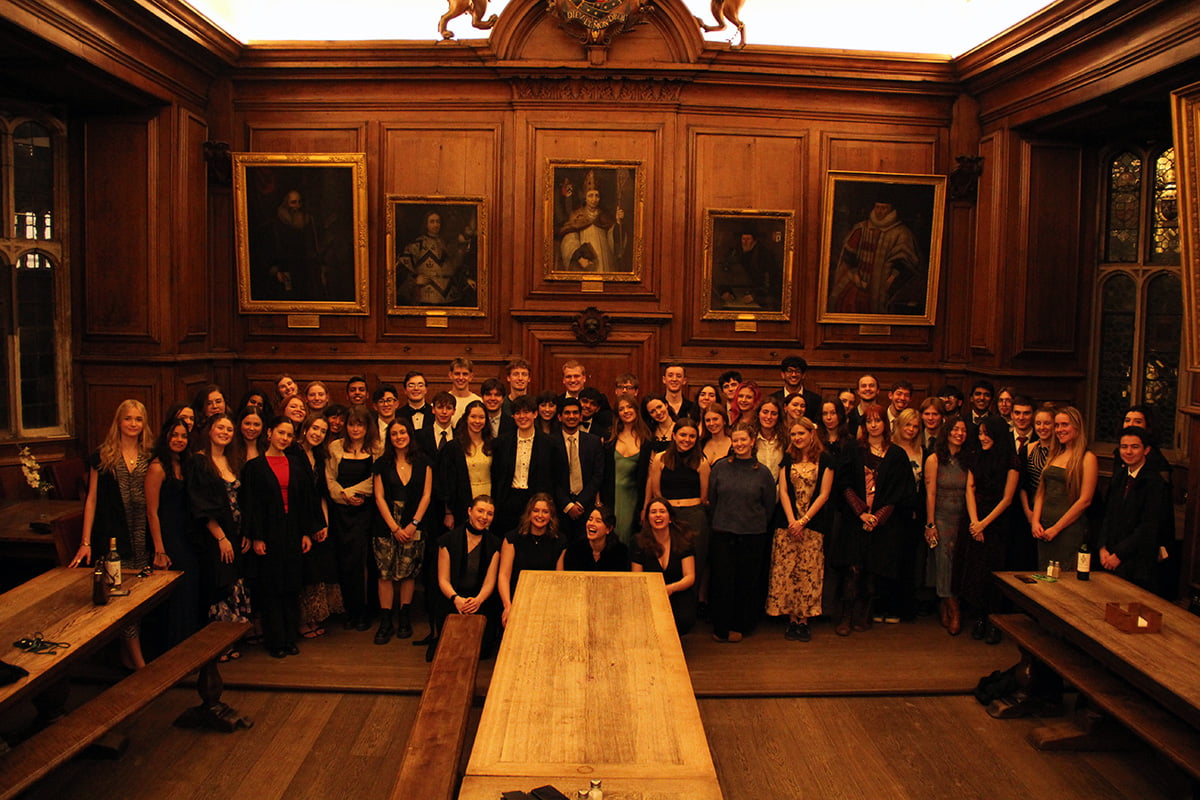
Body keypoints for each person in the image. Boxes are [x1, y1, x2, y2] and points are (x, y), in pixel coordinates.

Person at [69, 399, 153, 669]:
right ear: (119, 421)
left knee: (139, 596)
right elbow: (91, 499)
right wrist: (85, 541)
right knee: (121, 596)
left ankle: (128, 657)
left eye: (138, 419)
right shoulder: (103, 455)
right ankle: (140, 665)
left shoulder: (149, 455)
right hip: (115, 534)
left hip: (143, 532)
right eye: (128, 418)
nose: (133, 424)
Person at [242, 417, 321, 658]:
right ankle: (275, 640)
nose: (285, 438)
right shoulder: (254, 467)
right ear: (269, 433)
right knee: (271, 587)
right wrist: (256, 537)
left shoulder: (297, 464)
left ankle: (289, 638)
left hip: (294, 531)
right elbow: (250, 505)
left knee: (291, 585)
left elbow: (307, 500)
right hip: (268, 533)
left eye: (289, 435)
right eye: (280, 433)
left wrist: (307, 532)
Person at [837, 404, 909, 635]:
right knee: (853, 570)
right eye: (869, 421)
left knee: (872, 572)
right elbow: (844, 483)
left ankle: (864, 613)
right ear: (864, 425)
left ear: (886, 425)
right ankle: (846, 617)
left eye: (878, 420)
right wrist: (861, 513)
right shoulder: (852, 449)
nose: (874, 425)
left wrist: (877, 518)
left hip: (883, 525)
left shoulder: (897, 454)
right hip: (855, 521)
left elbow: (901, 491)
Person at [185, 412, 251, 660]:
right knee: (219, 585)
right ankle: (216, 645)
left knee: (236, 583)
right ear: (210, 430)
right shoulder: (199, 463)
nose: (225, 432)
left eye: (229, 429)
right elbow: (199, 503)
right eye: (220, 428)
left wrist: (244, 533)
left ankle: (231, 640)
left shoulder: (232, 461)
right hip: (214, 536)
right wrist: (220, 537)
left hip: (235, 534)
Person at [708, 424, 777, 642]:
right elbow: (712, 499)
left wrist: (751, 522)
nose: (739, 444)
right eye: (735, 441)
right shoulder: (720, 468)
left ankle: (741, 624)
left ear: (752, 441)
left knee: (746, 581)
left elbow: (769, 506)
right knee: (722, 580)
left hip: (752, 534)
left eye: (743, 440)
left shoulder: (763, 472)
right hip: (723, 531)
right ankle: (721, 626)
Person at [767, 418, 834, 642]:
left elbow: (824, 494)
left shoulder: (825, 460)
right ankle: (791, 620)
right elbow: (783, 491)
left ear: (811, 434)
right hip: (787, 523)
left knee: (808, 572)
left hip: (812, 524)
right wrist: (792, 521)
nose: (797, 438)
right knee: (786, 572)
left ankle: (804, 620)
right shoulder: (788, 459)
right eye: (793, 435)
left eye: (801, 434)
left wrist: (803, 521)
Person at [372, 418, 433, 644]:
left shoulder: (424, 461)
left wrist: (412, 524)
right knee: (385, 573)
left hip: (414, 522)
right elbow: (378, 497)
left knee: (409, 571)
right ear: (390, 438)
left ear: (410, 435)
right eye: (394, 434)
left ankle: (404, 617)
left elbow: (427, 495)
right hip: (386, 523)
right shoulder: (381, 463)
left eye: (403, 432)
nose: (399, 437)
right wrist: (394, 527)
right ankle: (386, 620)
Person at [962, 415, 1020, 644]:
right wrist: (974, 522)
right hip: (976, 518)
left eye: (987, 434)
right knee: (977, 572)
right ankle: (979, 617)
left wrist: (984, 523)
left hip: (998, 522)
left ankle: (995, 621)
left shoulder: (1011, 461)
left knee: (995, 572)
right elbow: (970, 488)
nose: (983, 438)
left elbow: (1007, 499)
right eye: (980, 433)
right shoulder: (977, 457)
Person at [144, 416, 200, 649]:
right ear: (166, 437)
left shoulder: (184, 464)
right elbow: (151, 511)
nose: (179, 440)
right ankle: (173, 647)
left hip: (186, 532)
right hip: (167, 535)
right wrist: (159, 548)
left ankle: (187, 643)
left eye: (184, 436)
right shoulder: (157, 467)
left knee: (190, 588)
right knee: (176, 592)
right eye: (174, 435)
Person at [645, 420, 710, 608]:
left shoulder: (702, 461)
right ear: (674, 436)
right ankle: (663, 600)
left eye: (691, 436)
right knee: (667, 557)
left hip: (694, 515)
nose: (687, 440)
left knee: (695, 560)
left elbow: (704, 496)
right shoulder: (661, 458)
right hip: (668, 515)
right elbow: (656, 491)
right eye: (683, 435)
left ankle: (689, 605)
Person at [326, 405, 379, 631]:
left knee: (364, 561)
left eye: (360, 424)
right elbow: (329, 479)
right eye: (351, 424)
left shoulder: (377, 448)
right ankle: (351, 610)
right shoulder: (335, 447)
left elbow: (376, 479)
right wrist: (344, 496)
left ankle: (366, 611)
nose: (355, 429)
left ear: (367, 427)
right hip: (341, 512)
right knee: (346, 562)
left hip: (366, 512)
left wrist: (356, 493)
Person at [1097, 427, 1170, 590]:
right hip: (1110, 556)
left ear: (1146, 450)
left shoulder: (1154, 482)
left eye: (1134, 447)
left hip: (1136, 562)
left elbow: (1148, 526)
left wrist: (1119, 555)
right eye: (1124, 447)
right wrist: (1102, 547)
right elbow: (1107, 515)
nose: (1128, 451)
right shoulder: (1120, 476)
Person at [436, 495, 502, 661]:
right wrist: (456, 599)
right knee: (452, 646)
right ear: (470, 511)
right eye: (480, 511)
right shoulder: (448, 540)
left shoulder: (495, 543)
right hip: (453, 597)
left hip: (480, 599)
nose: (484, 517)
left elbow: (490, 581)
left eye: (489, 514)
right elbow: (443, 579)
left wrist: (478, 600)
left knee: (481, 651)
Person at [1032, 406, 1098, 570]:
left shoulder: (1087, 458)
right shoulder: (1054, 454)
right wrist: (1035, 521)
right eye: (1057, 425)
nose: (1059, 430)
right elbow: (1041, 491)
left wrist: (1057, 528)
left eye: (1064, 425)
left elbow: (1085, 500)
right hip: (1044, 528)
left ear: (1077, 427)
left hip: (1068, 530)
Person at [830, 198, 922, 315]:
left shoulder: (901, 233)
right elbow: (848, 255)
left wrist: (892, 279)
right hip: (857, 280)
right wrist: (855, 274)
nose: (879, 211)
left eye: (883, 208)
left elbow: (906, 262)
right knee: (843, 302)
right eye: (877, 207)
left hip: (884, 285)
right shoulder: (861, 228)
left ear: (891, 210)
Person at [923, 415, 970, 636]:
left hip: (962, 518)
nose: (959, 434)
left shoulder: (969, 459)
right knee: (943, 562)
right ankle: (953, 608)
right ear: (947, 432)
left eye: (963, 430)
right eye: (955, 430)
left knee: (958, 564)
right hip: (941, 517)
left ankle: (945, 603)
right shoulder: (934, 459)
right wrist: (930, 523)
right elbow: (930, 493)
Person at [297, 414, 342, 639]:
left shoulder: (318, 454)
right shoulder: (293, 453)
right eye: (315, 428)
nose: (318, 433)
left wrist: (325, 523)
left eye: (323, 431)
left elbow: (323, 492)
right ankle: (302, 621)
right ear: (305, 429)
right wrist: (308, 527)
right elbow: (298, 496)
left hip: (319, 517)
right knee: (304, 572)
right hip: (301, 520)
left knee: (317, 571)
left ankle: (314, 617)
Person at [490, 395, 556, 536]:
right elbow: (496, 475)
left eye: (526, 412)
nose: (522, 417)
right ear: (513, 416)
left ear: (535, 414)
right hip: (508, 500)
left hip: (536, 501)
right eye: (518, 413)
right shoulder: (502, 442)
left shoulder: (549, 443)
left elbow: (554, 476)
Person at [497, 493, 565, 627]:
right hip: (517, 599)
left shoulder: (560, 541)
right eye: (536, 511)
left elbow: (559, 578)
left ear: (551, 516)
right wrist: (508, 605)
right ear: (529, 513)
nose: (540, 515)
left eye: (545, 512)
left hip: (546, 602)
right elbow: (503, 576)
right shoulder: (512, 539)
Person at [631, 498, 697, 635]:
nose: (658, 515)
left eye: (662, 511)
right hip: (649, 594)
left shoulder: (684, 540)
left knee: (684, 618)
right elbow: (636, 577)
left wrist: (671, 589)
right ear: (648, 518)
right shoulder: (638, 542)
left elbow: (690, 576)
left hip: (677, 591)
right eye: (653, 512)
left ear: (670, 518)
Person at [396, 208, 476, 306]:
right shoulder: (417, 245)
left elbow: (453, 267)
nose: (435, 224)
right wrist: (415, 280)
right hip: (426, 297)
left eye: (438, 222)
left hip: (450, 296)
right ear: (426, 224)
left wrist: (466, 279)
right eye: (432, 221)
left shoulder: (446, 243)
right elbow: (402, 268)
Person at [551, 396, 604, 540]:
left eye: (575, 413)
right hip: (560, 508)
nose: (571, 416)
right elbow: (550, 477)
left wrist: (580, 503)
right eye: (567, 413)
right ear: (560, 417)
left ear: (581, 417)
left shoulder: (593, 442)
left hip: (586, 507)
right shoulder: (549, 442)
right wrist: (568, 505)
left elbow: (598, 475)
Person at [603, 396, 653, 545]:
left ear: (636, 410)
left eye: (629, 407)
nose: (626, 411)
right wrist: (598, 501)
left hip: (634, 498)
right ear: (617, 414)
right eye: (621, 409)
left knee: (630, 538)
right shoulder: (609, 438)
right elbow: (600, 471)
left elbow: (649, 476)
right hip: (610, 497)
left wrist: (645, 507)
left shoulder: (647, 440)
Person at [437, 399, 493, 530]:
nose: (477, 421)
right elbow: (445, 482)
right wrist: (448, 512)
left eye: (481, 417)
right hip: (462, 502)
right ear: (466, 418)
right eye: (473, 416)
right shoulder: (454, 447)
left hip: (489, 498)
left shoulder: (493, 445)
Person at [557, 169, 627, 272]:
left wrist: (618, 223)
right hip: (586, 261)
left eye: (596, 195)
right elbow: (569, 240)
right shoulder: (577, 216)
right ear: (585, 197)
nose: (594, 199)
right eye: (590, 195)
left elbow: (614, 242)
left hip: (605, 260)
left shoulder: (604, 216)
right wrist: (580, 257)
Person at [266, 189, 326, 300]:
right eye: (293, 202)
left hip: (305, 267)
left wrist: (320, 267)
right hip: (287, 267)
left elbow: (314, 245)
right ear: (286, 203)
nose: (297, 206)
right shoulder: (278, 223)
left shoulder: (308, 220)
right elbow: (275, 246)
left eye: (299, 202)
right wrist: (278, 269)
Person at [714, 229, 777, 309]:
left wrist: (754, 295)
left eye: (748, 239)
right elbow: (723, 274)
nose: (745, 242)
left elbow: (770, 282)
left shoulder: (765, 255)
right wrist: (724, 291)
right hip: (736, 297)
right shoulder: (733, 253)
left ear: (754, 241)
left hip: (759, 298)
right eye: (743, 239)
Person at [564, 506, 630, 571]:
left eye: (598, 521)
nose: (591, 523)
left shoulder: (620, 552)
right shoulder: (575, 550)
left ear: (609, 529)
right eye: (590, 519)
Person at [771, 355, 821, 423]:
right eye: (790, 371)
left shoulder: (815, 400)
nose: (794, 375)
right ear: (782, 374)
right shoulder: (774, 399)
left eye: (798, 371)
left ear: (803, 375)